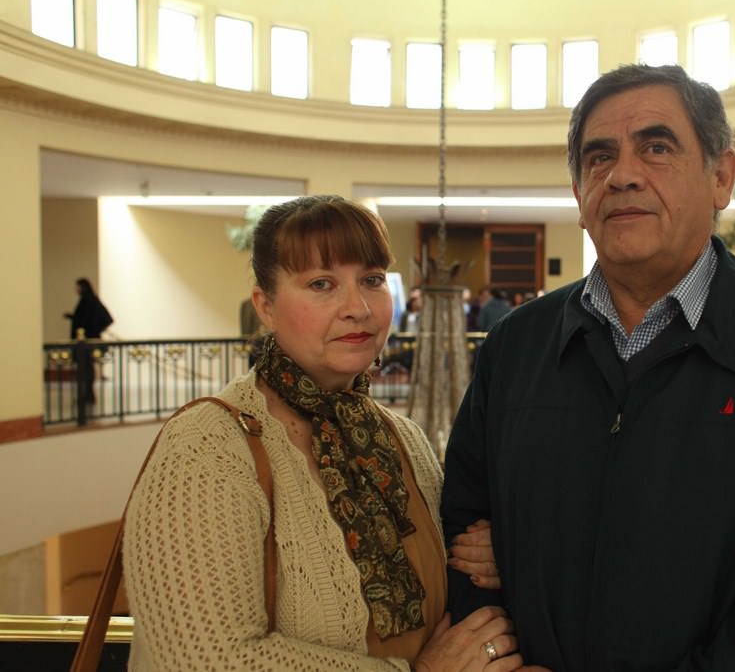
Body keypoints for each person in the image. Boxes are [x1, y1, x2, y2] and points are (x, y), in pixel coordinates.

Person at [441, 64, 735, 670]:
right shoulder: (516, 345)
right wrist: (500, 660)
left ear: (721, 177)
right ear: (578, 194)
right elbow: (463, 529)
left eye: (656, 148)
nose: (622, 175)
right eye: (599, 157)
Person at [123, 196, 529, 672]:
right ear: (265, 306)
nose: (358, 307)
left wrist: (497, 556)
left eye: (372, 280)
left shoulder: (403, 439)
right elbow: (200, 661)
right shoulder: (206, 449)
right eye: (322, 284)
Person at [63, 277, 114, 404]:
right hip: (88, 340)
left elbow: (86, 320)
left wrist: (93, 330)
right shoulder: (92, 300)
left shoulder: (87, 301)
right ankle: (88, 395)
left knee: (85, 369)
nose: (76, 289)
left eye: (77, 287)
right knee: (87, 368)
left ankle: (87, 395)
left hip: (86, 342)